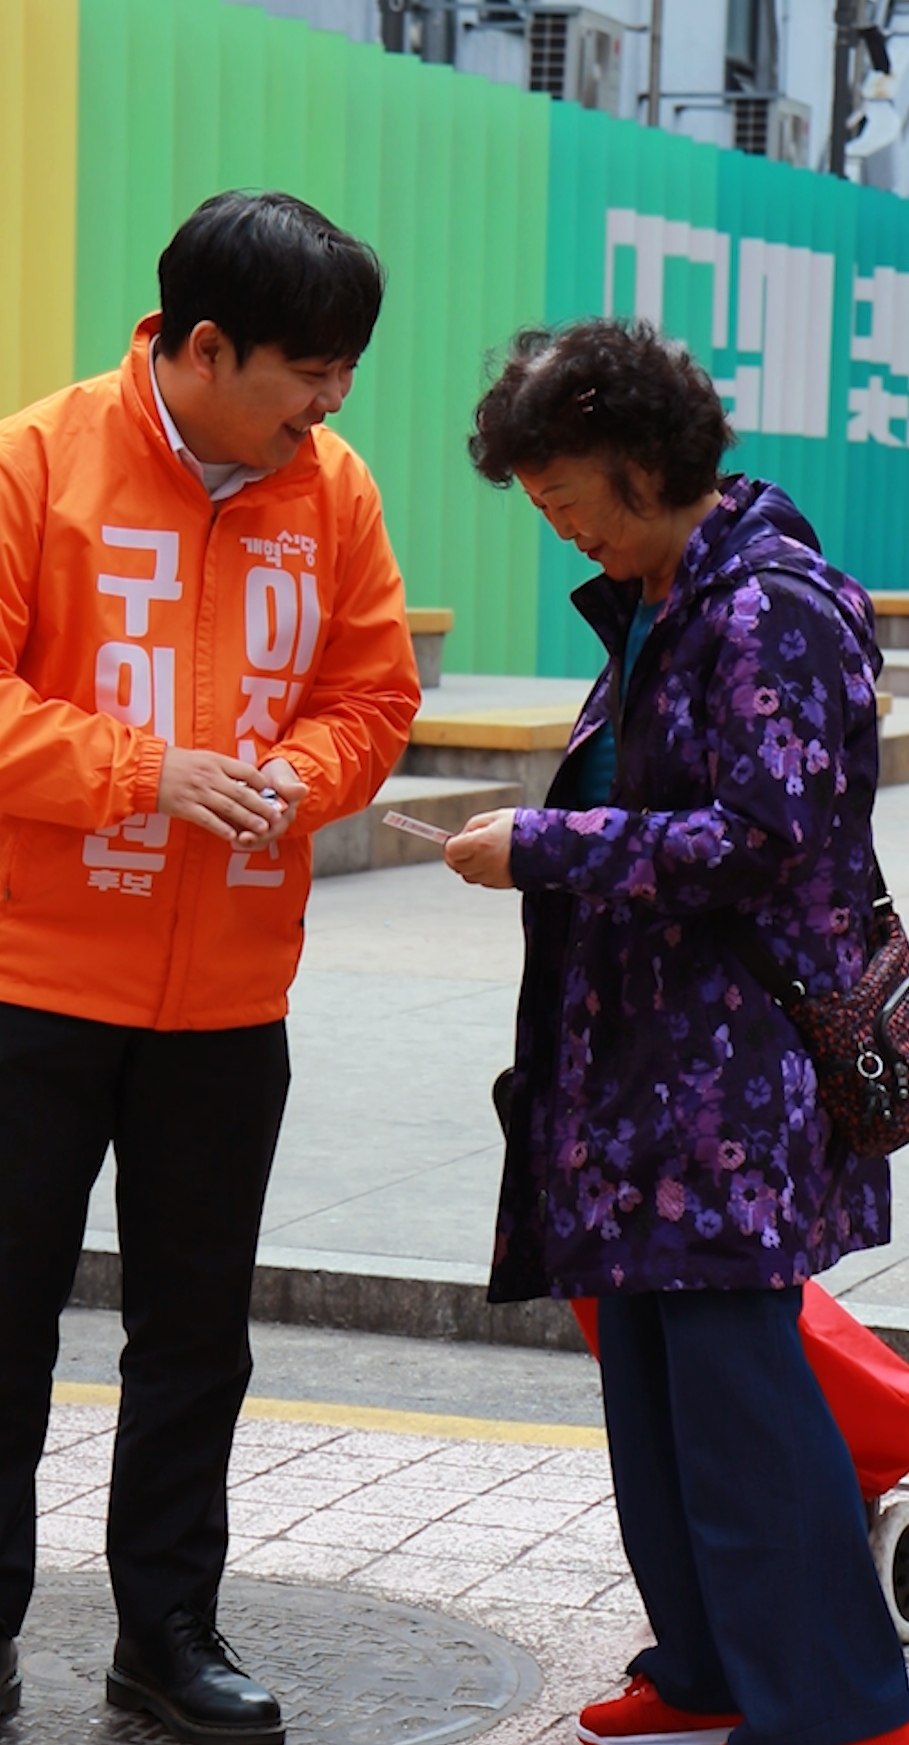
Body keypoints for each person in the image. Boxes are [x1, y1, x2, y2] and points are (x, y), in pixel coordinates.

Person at [0, 190, 419, 1745]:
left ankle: (166, 1631)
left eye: (345, 369)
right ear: (202, 347)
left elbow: (372, 695)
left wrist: (298, 777)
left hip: (228, 995)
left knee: (197, 1335)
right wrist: (144, 773)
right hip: (24, 980)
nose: (332, 401)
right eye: (307, 369)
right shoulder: (29, 463)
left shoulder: (334, 492)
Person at [444, 319, 909, 1745]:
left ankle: (839, 1702)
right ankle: (706, 1666)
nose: (559, 526)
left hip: (733, 1078)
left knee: (737, 1397)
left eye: (565, 494)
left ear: (645, 465)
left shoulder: (772, 609)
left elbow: (765, 838)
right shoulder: (665, 595)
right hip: (649, 1070)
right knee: (656, 1388)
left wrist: (545, 845)